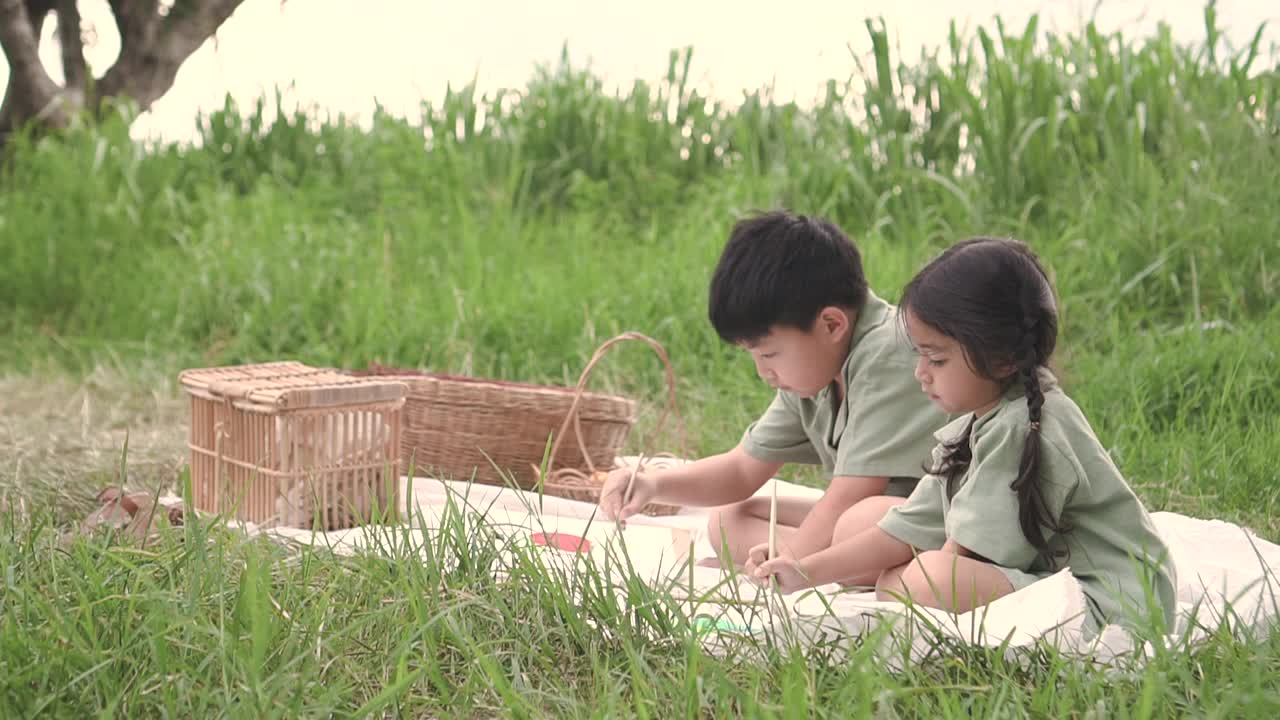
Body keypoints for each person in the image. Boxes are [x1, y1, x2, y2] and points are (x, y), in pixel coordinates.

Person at [747, 237, 1177, 630]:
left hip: (1115, 604)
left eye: (936, 360)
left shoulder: (1023, 429)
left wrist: (892, 581)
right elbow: (904, 528)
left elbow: (961, 559)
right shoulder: (980, 423)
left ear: (1003, 358)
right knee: (866, 530)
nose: (920, 374)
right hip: (1049, 574)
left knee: (927, 579)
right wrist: (802, 570)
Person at [599, 210, 948, 582]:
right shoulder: (817, 369)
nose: (763, 372)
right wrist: (654, 483)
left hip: (942, 520)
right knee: (729, 517)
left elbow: (849, 496)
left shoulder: (889, 353)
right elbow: (741, 469)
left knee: (855, 523)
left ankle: (811, 568)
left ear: (831, 324)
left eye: (768, 354)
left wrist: (794, 561)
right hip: (881, 520)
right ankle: (831, 567)